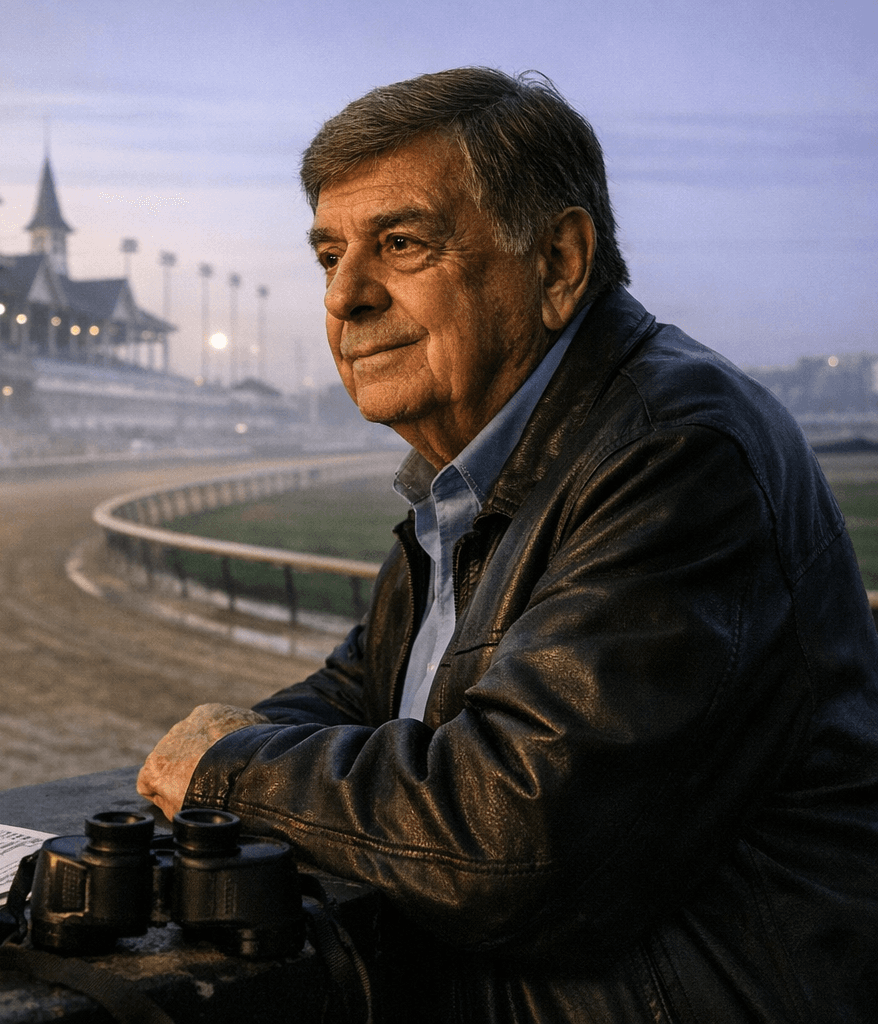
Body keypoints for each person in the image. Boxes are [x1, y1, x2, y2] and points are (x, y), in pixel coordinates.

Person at [137, 68, 878, 1022]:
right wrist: (218, 752)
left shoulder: (676, 456)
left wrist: (230, 770)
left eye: (401, 244)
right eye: (329, 256)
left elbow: (509, 841)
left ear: (560, 263)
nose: (346, 298)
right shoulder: (480, 468)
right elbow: (367, 693)